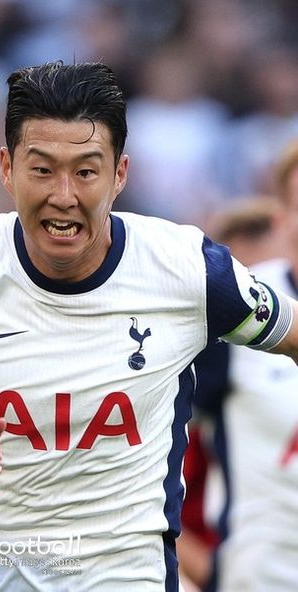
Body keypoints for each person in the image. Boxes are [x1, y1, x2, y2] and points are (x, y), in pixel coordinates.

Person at [0, 61, 298, 591]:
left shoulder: (187, 268)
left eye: (86, 172)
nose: (63, 195)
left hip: (121, 577)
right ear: (6, 168)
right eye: (42, 170)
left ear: (120, 174)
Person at [189, 140, 298, 591]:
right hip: (261, 578)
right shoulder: (240, 307)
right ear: (282, 220)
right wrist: (202, 568)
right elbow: (145, 449)